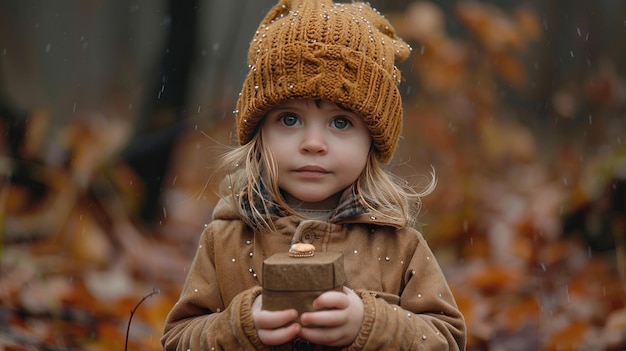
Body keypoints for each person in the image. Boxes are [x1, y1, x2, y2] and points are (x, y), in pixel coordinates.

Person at [161, 0, 466, 349]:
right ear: (259, 134)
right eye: (289, 119)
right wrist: (240, 327)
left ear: (372, 141)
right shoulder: (226, 238)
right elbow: (178, 339)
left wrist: (371, 324)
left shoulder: (398, 244)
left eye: (341, 122)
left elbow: (446, 339)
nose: (313, 143)